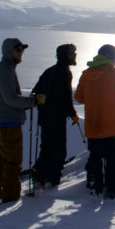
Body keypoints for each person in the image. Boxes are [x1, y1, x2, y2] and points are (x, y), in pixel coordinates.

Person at [0, 38, 45, 202]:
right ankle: (10, 199)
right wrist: (33, 101)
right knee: (12, 164)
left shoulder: (4, 68)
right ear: (8, 51)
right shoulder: (5, 70)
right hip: (8, 125)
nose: (21, 52)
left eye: (22, 49)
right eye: (17, 50)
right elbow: (10, 99)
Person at [75, 44, 115, 198]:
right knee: (113, 161)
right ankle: (113, 191)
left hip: (93, 127)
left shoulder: (86, 74)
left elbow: (78, 97)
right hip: (112, 127)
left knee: (95, 158)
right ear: (111, 58)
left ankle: (95, 187)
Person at [32, 43, 79, 188]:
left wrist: (42, 105)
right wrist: (72, 114)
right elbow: (65, 97)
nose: (74, 55)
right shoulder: (65, 72)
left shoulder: (50, 71)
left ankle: (40, 178)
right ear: (65, 55)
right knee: (58, 150)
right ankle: (53, 180)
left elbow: (35, 91)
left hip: (46, 118)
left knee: (46, 148)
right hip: (56, 118)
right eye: (72, 53)